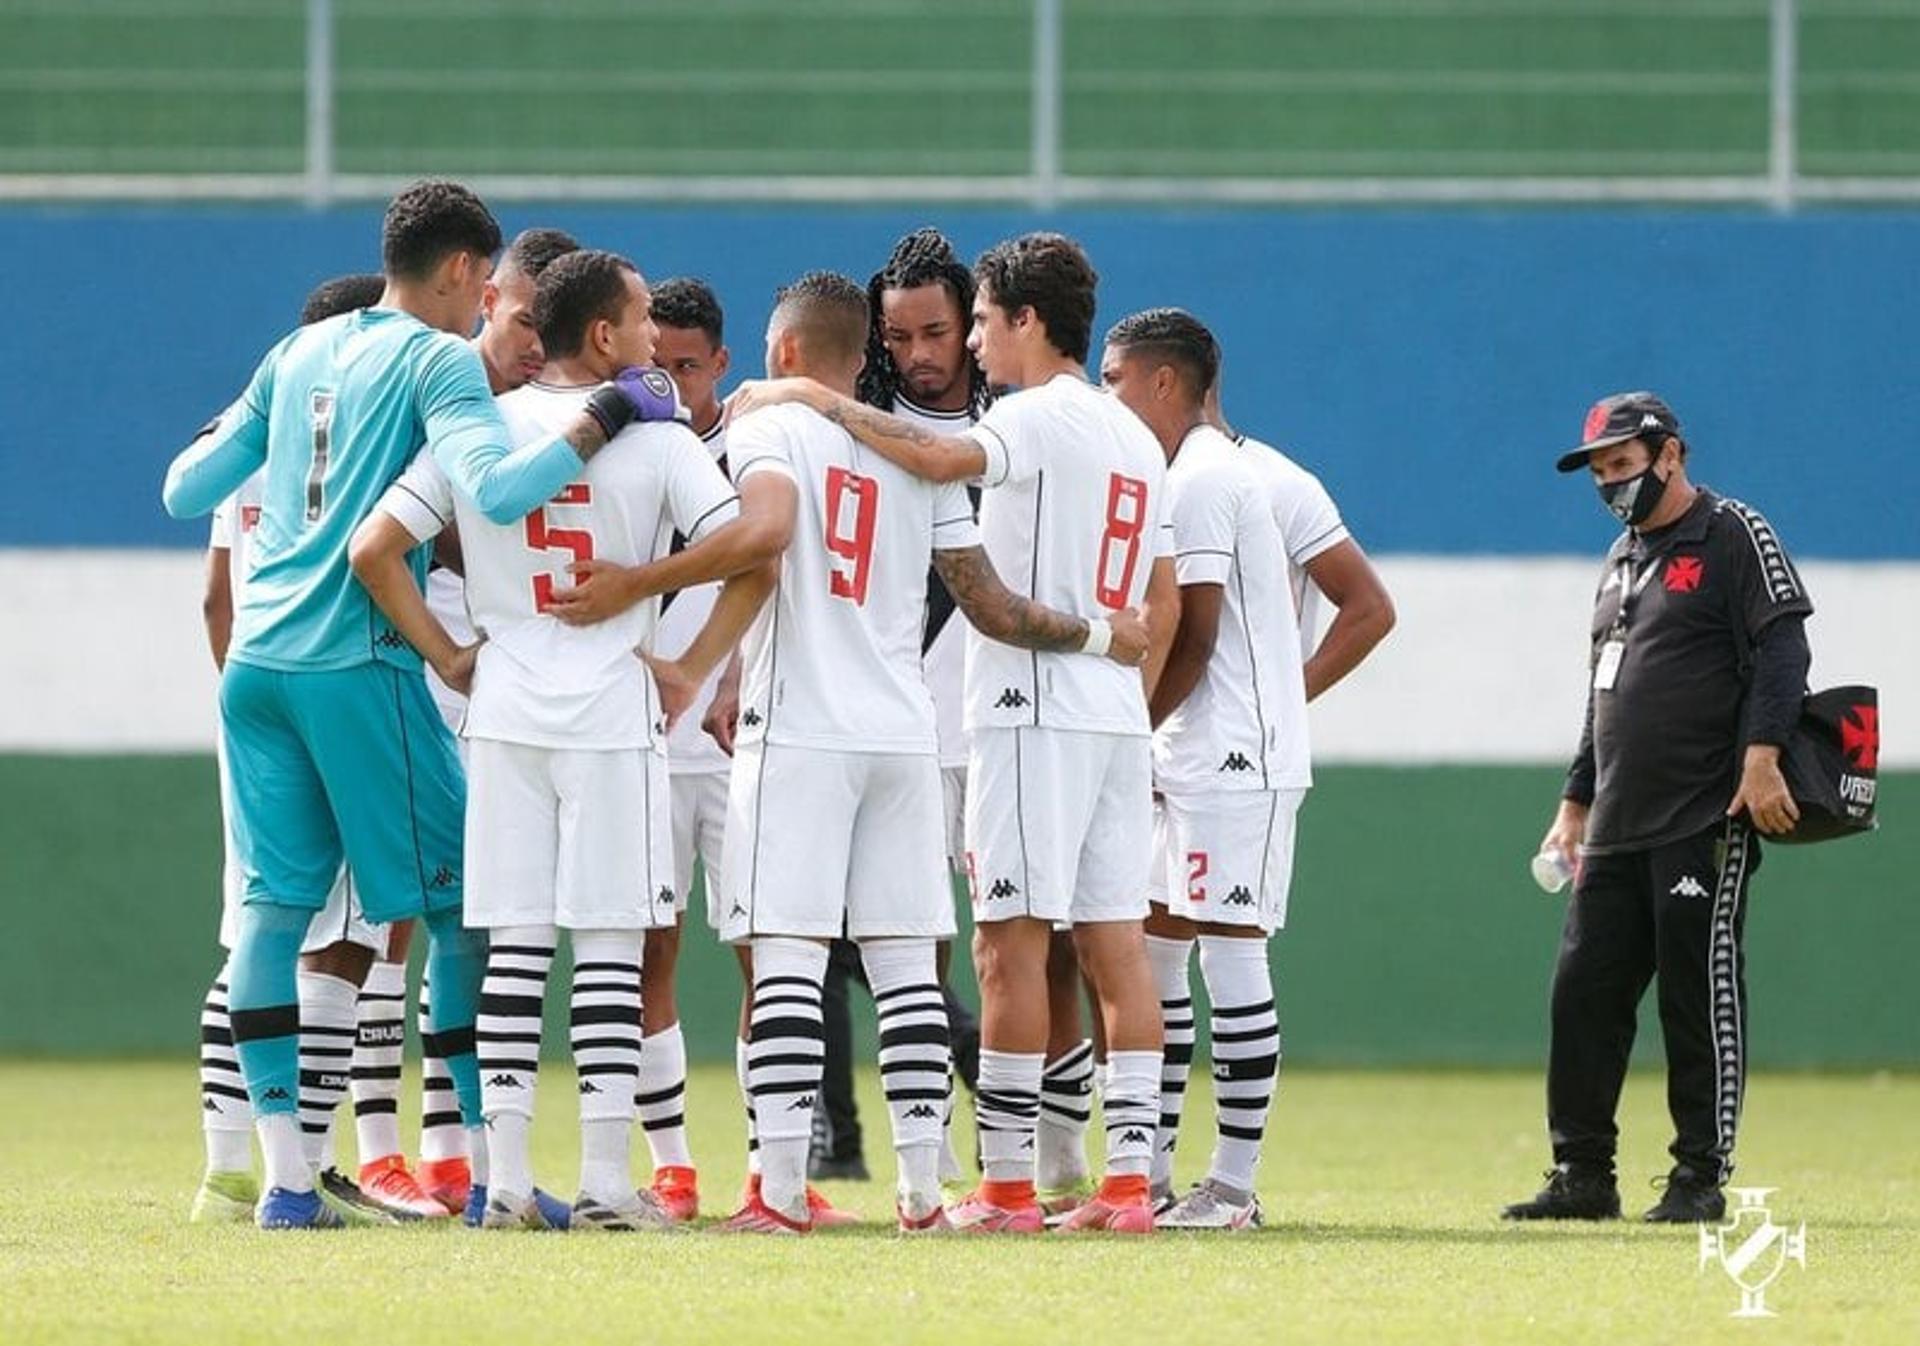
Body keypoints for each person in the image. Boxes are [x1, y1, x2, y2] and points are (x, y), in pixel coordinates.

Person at [160, 179, 677, 1230]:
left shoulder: (300, 349)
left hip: (257, 664)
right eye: (484, 284)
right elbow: (494, 490)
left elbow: (184, 486)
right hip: (358, 657)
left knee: (272, 911)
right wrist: (611, 409)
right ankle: (492, 1173)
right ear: (456, 273)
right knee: (460, 904)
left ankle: (286, 1184)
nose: (485, 302)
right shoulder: (437, 356)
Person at [729, 231, 1180, 1235]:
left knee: (1006, 947)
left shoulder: (1036, 416)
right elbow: (1153, 586)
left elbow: (939, 453)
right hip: (1112, 709)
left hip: (1030, 706)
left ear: (1025, 319)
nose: (971, 343)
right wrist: (1119, 645)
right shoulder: (1135, 437)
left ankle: (1009, 1186)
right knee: (1116, 949)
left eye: (978, 319)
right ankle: (1127, 1185)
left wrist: (807, 396)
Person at [350, 249, 784, 1231]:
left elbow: (375, 549)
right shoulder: (661, 437)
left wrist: (453, 653)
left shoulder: (480, 428)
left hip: (503, 705)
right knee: (607, 946)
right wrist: (689, 660)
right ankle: (604, 1181)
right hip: (608, 711)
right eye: (638, 322)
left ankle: (501, 1179)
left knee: (512, 946)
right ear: (603, 335)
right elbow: (756, 550)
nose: (650, 340)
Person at [1504, 391, 1812, 1225]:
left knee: (1695, 995)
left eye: (1623, 464)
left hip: (1703, 814)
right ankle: (1582, 1174)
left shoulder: (1732, 533)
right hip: (1614, 825)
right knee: (1582, 997)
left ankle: (1698, 1177)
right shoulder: (1620, 558)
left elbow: (1784, 645)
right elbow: (1602, 694)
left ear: (1669, 453)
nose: (1611, 483)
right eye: (1599, 470)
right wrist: (1574, 803)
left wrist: (1760, 761)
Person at [191, 272, 394, 1227]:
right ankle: (300, 1168)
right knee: (343, 942)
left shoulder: (251, 444)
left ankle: (227, 1170)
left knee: (253, 929)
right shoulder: (354, 448)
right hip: (330, 690)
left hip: (249, 696)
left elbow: (212, 597)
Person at [1101, 309, 1303, 1231]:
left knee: (1233, 953)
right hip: (1191, 753)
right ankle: (1149, 1170)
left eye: (1116, 378)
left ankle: (1233, 1184)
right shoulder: (1182, 474)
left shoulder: (1208, 477)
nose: (1109, 395)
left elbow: (1198, 630)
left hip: (1233, 755)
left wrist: (1131, 725)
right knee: (1155, 952)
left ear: (1165, 384)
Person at [398, 225, 583, 1219]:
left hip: (493, 689)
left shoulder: (509, 416)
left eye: (539, 326)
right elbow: (394, 537)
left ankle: (454, 1153)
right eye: (518, 317)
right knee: (410, 918)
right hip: (427, 678)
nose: (527, 339)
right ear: (488, 298)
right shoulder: (443, 397)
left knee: (468, 923)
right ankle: (407, 1148)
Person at [808, 227, 992, 1187]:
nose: (919, 355)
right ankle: (839, 1135)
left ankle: (1025, 1135)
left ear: (973, 326)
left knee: (1014, 942)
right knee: (850, 925)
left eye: (936, 333)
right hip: (896, 719)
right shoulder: (861, 422)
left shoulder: (1014, 417)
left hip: (1005, 720)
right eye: (900, 337)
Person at [633, 275, 733, 1221]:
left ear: (722, 366)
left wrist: (730, 678)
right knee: (647, 957)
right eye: (654, 365)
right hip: (649, 749)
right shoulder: (615, 453)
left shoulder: (755, 450)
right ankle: (672, 1167)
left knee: (769, 958)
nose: (669, 383)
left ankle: (767, 1171)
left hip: (740, 747)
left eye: (688, 366)